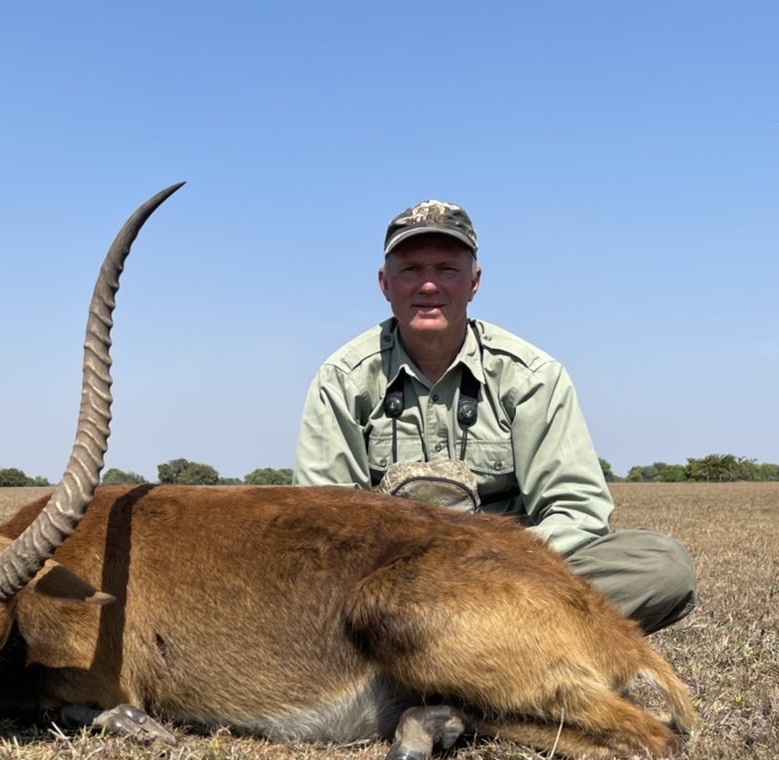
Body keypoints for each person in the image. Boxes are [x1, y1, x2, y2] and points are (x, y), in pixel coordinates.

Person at [293, 199, 696, 634]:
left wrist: (481, 570)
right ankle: (495, 674)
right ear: (384, 283)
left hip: (509, 580)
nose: (428, 285)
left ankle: (446, 668)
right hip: (390, 598)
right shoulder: (342, 380)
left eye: (446, 269)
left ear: (474, 282)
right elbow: (324, 525)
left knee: (662, 567)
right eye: (411, 270)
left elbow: (577, 509)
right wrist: (409, 582)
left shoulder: (533, 377)